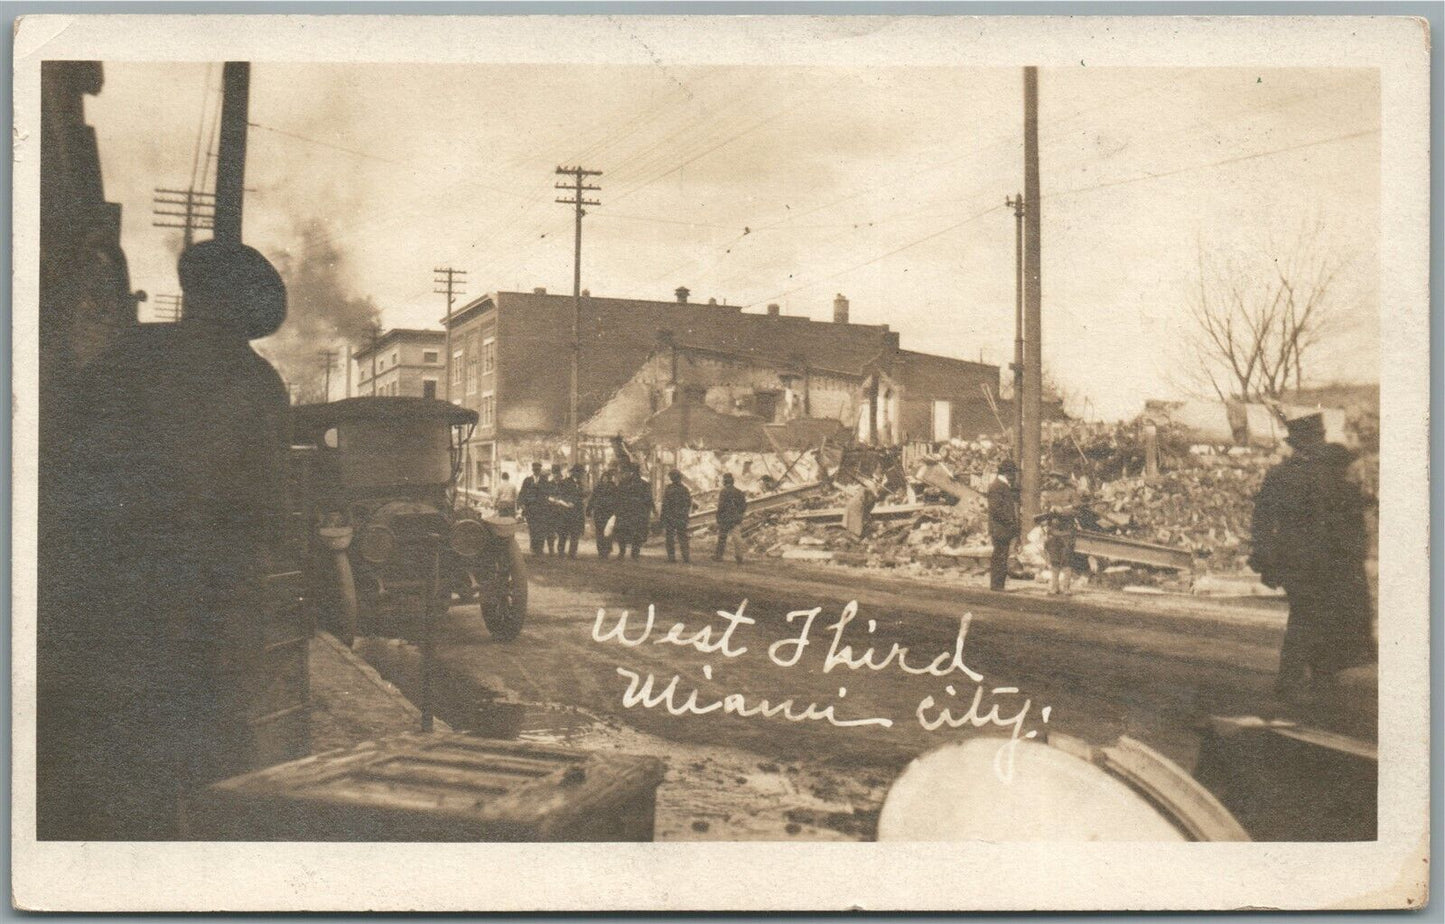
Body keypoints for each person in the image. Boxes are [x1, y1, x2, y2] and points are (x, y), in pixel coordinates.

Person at [55, 240, 289, 839]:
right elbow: (266, 505)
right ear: (247, 313)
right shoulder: (259, 380)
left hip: (122, 590)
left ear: (194, 294)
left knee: (128, 754)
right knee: (215, 749)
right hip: (216, 598)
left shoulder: (129, 355)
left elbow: (71, 463)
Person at [1249, 412, 1375, 703]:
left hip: (1298, 560)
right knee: (1319, 615)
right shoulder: (1331, 474)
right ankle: (1310, 679)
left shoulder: (1282, 475)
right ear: (1314, 440)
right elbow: (1352, 520)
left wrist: (1264, 557)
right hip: (1329, 561)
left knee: (1307, 614)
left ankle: (1303, 679)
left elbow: (1262, 520)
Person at [1035, 501, 1083, 595]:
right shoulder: (1050, 503)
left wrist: (1063, 511)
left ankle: (1066, 587)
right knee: (1055, 563)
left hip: (1067, 537)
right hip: (1053, 537)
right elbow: (1042, 521)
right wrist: (1051, 513)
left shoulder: (1072, 501)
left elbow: (1077, 513)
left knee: (1067, 563)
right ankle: (1054, 587)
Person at [988, 459, 1020, 591]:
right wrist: (1010, 521)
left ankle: (998, 584)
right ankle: (997, 585)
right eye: (1012, 473)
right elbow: (996, 509)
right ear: (1008, 473)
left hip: (1000, 527)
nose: (1014, 476)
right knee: (1000, 555)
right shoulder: (999, 486)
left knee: (1001, 554)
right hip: (1000, 527)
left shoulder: (1000, 485)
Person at [614, 462, 655, 560]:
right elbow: (649, 499)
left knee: (623, 532)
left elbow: (618, 498)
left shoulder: (623, 483)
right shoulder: (645, 484)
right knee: (637, 532)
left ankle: (622, 552)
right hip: (638, 513)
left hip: (626, 512)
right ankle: (635, 553)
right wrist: (652, 510)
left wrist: (617, 510)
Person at [552, 464, 587, 558]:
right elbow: (559, 495)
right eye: (579, 472)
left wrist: (583, 498)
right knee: (563, 532)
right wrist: (567, 503)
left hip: (577, 513)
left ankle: (572, 553)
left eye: (581, 473)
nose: (580, 475)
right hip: (565, 512)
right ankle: (561, 552)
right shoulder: (565, 482)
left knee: (575, 533)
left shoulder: (580, 484)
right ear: (574, 473)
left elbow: (580, 497)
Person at [660, 469, 693, 563]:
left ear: (672, 478)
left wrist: (662, 518)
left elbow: (665, 504)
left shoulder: (669, 489)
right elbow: (688, 503)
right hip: (681, 516)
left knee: (670, 537)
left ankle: (671, 557)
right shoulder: (685, 489)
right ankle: (686, 557)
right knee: (683, 537)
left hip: (670, 516)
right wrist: (685, 515)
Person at [714, 473, 748, 563]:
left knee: (722, 538)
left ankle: (719, 556)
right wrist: (739, 514)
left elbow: (720, 506)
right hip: (735, 518)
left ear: (725, 482)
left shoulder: (723, 492)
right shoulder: (739, 492)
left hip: (725, 518)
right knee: (737, 538)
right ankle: (739, 557)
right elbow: (744, 506)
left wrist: (718, 517)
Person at [586, 469, 619, 559]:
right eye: (604, 477)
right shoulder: (598, 487)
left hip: (609, 513)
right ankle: (601, 551)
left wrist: (616, 511)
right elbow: (592, 499)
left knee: (607, 532)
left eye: (606, 478)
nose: (605, 479)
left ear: (609, 478)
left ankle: (606, 550)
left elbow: (617, 500)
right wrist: (589, 509)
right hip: (599, 513)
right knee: (600, 532)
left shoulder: (613, 488)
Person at [518, 462, 547, 555]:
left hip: (542, 509)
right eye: (535, 469)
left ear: (540, 470)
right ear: (532, 470)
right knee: (532, 529)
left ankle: (540, 548)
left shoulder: (544, 480)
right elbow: (522, 493)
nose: (536, 471)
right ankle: (533, 548)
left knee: (541, 529)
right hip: (530, 509)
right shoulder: (527, 480)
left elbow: (548, 493)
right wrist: (521, 504)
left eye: (538, 469)